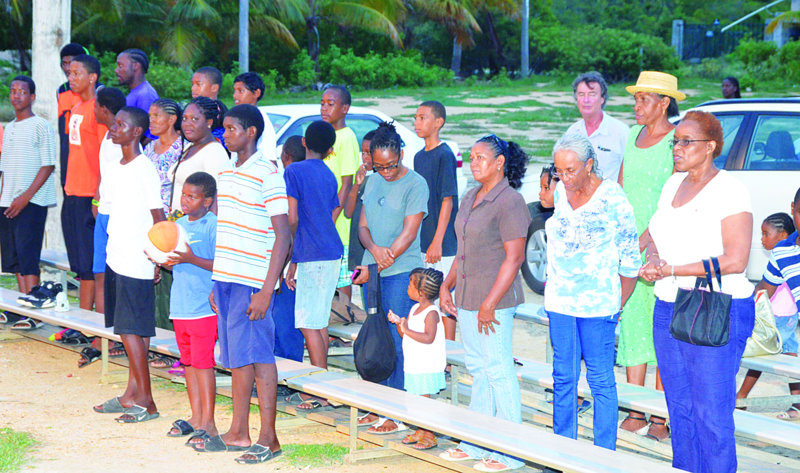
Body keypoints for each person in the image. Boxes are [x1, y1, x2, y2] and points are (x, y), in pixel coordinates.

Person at [640, 110, 755, 473]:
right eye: (675, 142)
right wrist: (653, 258)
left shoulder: (730, 190)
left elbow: (735, 259)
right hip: (669, 304)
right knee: (680, 408)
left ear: (710, 147)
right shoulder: (673, 183)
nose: (677, 148)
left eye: (686, 142)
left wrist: (672, 269)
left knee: (712, 416)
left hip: (715, 307)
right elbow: (656, 233)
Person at [438, 134, 529, 472]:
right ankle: (476, 442)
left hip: (495, 302)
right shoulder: (471, 196)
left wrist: (491, 302)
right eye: (471, 157)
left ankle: (510, 452)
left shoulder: (510, 201)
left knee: (499, 371)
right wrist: (446, 285)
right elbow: (462, 250)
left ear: (499, 162)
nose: (473, 163)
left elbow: (515, 257)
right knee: (478, 370)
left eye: (480, 157)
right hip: (467, 296)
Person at [203, 104, 289, 464]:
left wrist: (267, 290)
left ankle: (268, 438)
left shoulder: (267, 172)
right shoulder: (226, 171)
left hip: (252, 281)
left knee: (259, 357)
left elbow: (283, 235)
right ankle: (239, 431)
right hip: (226, 277)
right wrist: (216, 280)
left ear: (251, 131)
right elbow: (227, 229)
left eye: (231, 128)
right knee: (238, 358)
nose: (225, 134)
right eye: (223, 129)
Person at [545, 134, 640, 451]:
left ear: (589, 165)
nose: (565, 177)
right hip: (560, 302)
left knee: (600, 380)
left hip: (599, 307)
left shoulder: (613, 198)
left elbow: (631, 261)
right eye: (559, 170)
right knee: (563, 378)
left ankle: (603, 455)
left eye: (571, 170)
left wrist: (616, 304)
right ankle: (564, 451)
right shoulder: (560, 191)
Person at [617, 70, 684, 441]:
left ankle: (660, 416)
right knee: (632, 323)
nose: (637, 105)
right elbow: (620, 186)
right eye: (636, 98)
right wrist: (621, 236)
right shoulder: (631, 135)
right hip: (630, 241)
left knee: (660, 324)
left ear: (664, 103)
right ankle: (635, 408)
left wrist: (645, 238)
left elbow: (673, 197)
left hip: (661, 243)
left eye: (644, 99)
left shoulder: (676, 140)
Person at [352, 122, 428, 434]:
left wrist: (385, 260)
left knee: (398, 340)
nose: (385, 172)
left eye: (391, 166)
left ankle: (396, 413)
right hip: (374, 270)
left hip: (401, 273)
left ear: (401, 155)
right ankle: (378, 405)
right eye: (379, 166)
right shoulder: (371, 182)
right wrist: (372, 251)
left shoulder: (416, 184)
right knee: (375, 338)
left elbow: (410, 232)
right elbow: (363, 227)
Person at [92, 107, 165, 423]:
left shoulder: (144, 168)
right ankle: (132, 393)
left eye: (121, 124)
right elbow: (104, 210)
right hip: (116, 255)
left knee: (131, 329)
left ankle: (147, 401)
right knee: (130, 330)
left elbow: (158, 217)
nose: (114, 127)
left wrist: (157, 256)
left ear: (137, 131)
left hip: (138, 258)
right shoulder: (113, 167)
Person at [283, 120, 342, 411]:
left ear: (304, 142)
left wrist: (292, 245)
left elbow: (291, 216)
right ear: (330, 149)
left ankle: (318, 388)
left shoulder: (293, 170)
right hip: (330, 250)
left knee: (308, 322)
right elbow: (334, 209)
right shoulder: (329, 174)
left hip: (312, 252)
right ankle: (322, 382)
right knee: (318, 320)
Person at [164, 172, 220, 446]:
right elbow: (173, 260)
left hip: (203, 309)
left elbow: (219, 264)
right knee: (188, 363)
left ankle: (209, 422)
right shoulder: (178, 224)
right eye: (184, 195)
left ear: (208, 201)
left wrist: (191, 258)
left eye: (193, 196)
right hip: (181, 306)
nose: (185, 200)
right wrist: (163, 259)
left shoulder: (212, 226)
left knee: (202, 364)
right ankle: (196, 417)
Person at [0, 76, 57, 327]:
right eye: (13, 91)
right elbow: (5, 169)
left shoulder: (40, 126)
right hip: (7, 201)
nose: (16, 96)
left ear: (32, 97)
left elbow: (48, 164)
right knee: (14, 258)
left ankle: (35, 311)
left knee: (28, 255)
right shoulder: (10, 127)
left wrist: (25, 198)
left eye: (22, 92)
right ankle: (22, 306)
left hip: (31, 202)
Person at [736, 212, 800, 416]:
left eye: (765, 234)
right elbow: (765, 287)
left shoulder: (784, 257)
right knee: (783, 357)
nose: (762, 239)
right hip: (782, 318)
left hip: (781, 318)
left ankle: (741, 396)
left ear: (782, 235)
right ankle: (797, 402)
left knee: (765, 354)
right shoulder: (781, 255)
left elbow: (767, 291)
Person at [62, 54, 107, 311]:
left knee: (90, 266)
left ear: (92, 77)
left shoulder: (97, 110)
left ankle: (88, 325)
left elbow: (104, 157)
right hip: (72, 193)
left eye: (76, 73)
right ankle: (80, 321)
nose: (71, 77)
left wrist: (97, 197)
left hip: (89, 196)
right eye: (69, 73)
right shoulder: (76, 108)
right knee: (79, 265)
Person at [413, 101, 459, 341]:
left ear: (438, 122)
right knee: (427, 294)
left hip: (443, 242)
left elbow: (447, 200)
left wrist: (438, 241)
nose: (416, 123)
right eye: (416, 118)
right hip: (424, 238)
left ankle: (449, 358)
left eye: (422, 118)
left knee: (444, 298)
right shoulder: (419, 157)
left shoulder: (445, 155)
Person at [387, 267, 446, 451]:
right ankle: (421, 429)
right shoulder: (414, 308)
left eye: (410, 285)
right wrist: (400, 324)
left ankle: (429, 433)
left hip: (426, 365)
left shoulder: (431, 313)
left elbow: (428, 337)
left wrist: (406, 330)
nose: (407, 288)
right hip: (413, 364)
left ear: (420, 292)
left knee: (423, 400)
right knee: (414, 399)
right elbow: (406, 335)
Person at [321, 85, 360, 303]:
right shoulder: (325, 136)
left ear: (344, 108)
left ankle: (345, 323)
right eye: (322, 103)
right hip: (324, 217)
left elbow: (347, 183)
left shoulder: (346, 138)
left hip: (338, 224)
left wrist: (332, 220)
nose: (325, 108)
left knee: (342, 279)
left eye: (331, 104)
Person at [91, 87, 127, 319]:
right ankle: (101, 333)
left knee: (112, 276)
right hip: (103, 213)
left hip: (117, 216)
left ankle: (113, 335)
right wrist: (96, 200)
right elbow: (105, 175)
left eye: (95, 106)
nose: (93, 110)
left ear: (104, 110)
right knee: (100, 274)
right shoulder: (108, 136)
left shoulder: (122, 140)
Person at [565, 72, 629, 184]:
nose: (586, 100)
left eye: (592, 94)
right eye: (581, 94)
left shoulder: (621, 132)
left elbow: (630, 174)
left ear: (602, 99)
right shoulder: (572, 133)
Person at [168, 96, 229, 214]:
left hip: (197, 226)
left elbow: (218, 197)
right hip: (179, 221)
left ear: (209, 122)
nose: (187, 124)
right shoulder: (189, 146)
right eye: (184, 118)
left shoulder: (214, 152)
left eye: (195, 119)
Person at [344, 129, 376, 285]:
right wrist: (356, 184)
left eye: (369, 153)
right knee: (364, 295)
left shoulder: (383, 182)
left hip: (374, 254)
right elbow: (348, 212)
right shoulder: (363, 180)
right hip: (359, 253)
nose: (365, 157)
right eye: (363, 153)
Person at [57, 42, 90, 190]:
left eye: (72, 63)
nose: (68, 68)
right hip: (68, 159)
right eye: (64, 63)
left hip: (89, 163)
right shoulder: (61, 90)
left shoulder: (99, 90)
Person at [144, 98, 183, 215]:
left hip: (172, 216)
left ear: (171, 119)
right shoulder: (149, 147)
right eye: (150, 116)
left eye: (156, 116)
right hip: (146, 212)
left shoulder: (183, 148)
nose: (151, 120)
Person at [233, 72, 278, 165]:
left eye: (240, 91)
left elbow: (270, 159)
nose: (235, 95)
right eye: (234, 91)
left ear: (256, 93)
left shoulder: (261, 120)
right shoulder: (237, 118)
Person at [115, 48, 159, 113]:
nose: (116, 70)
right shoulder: (137, 92)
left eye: (120, 66)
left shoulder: (146, 96)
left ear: (135, 66)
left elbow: (146, 122)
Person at [191, 66, 226, 146]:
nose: (193, 88)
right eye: (192, 84)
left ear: (214, 88)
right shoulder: (195, 107)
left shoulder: (216, 111)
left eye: (198, 84)